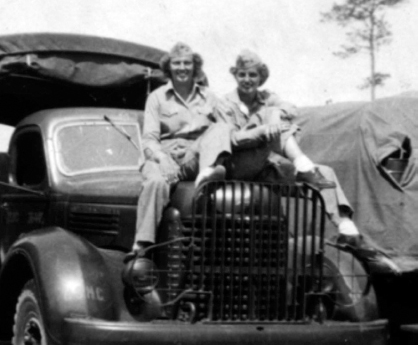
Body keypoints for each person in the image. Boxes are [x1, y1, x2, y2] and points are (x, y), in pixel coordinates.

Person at [219, 49, 399, 273]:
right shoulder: (225, 103)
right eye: (242, 75)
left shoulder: (267, 99)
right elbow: (230, 141)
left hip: (264, 168)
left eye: (253, 75)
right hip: (239, 166)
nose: (247, 80)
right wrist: (264, 130)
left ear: (260, 78)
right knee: (272, 124)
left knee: (324, 172)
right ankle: (301, 163)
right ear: (235, 76)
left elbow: (290, 108)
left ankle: (347, 230)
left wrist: (274, 115)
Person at [128, 42, 231, 258]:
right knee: (155, 182)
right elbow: (148, 140)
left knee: (221, 127)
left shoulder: (210, 97)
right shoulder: (157, 98)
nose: (182, 68)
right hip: (164, 156)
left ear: (195, 67)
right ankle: (142, 246)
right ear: (169, 68)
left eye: (187, 63)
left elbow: (226, 129)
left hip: (195, 157)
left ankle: (211, 170)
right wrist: (161, 158)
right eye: (177, 63)